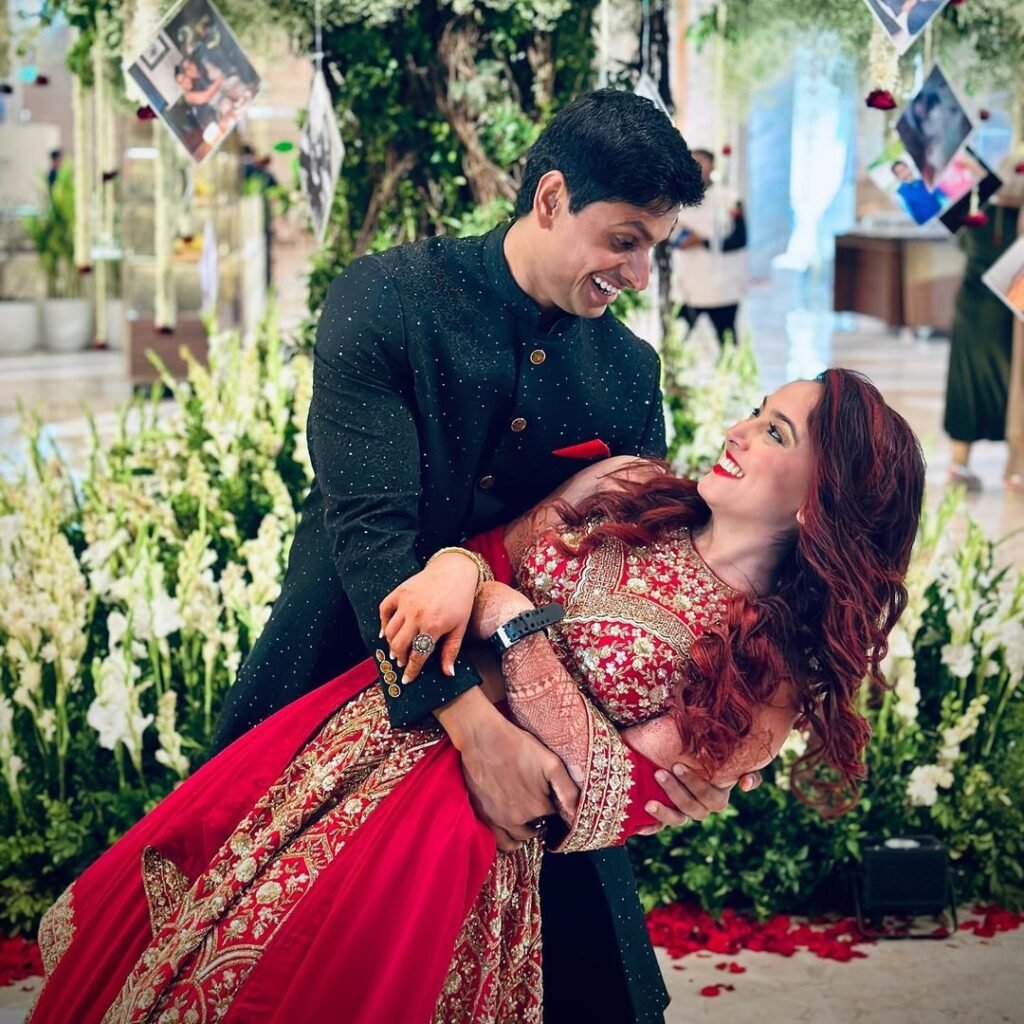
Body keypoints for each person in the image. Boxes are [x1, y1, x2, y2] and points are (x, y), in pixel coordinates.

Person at [28, 368, 927, 1022]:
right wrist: (468, 576)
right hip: (369, 734)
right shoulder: (628, 486)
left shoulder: (768, 676)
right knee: (217, 961)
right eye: (758, 411)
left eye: (776, 434)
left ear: (819, 503)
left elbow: (592, 798)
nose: (738, 430)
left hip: (460, 836)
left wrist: (507, 619)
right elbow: (482, 557)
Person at [211, 88, 715, 1024]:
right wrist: (474, 733)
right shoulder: (387, 299)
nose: (641, 274)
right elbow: (373, 541)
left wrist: (693, 747)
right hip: (335, 670)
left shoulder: (627, 373)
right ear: (553, 198)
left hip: (534, 719)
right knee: (294, 978)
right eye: (625, 240)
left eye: (656, 247)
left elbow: (629, 579)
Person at [943, 156, 1024, 490]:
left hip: (971, 308)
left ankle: (959, 465)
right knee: (1014, 385)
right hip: (1008, 315)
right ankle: (1015, 470)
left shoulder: (978, 209)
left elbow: (959, 240)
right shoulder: (1017, 219)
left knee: (965, 383)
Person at [670, 148, 747, 346]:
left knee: (727, 342)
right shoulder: (675, 199)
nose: (696, 167)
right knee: (678, 340)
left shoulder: (729, 199)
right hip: (686, 284)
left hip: (721, 286)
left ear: (713, 166)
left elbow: (740, 239)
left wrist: (701, 241)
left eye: (701, 162)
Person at [891, 159, 943, 225]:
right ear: (897, 177)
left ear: (909, 168)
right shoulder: (899, 195)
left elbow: (941, 197)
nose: (904, 173)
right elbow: (908, 216)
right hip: (929, 226)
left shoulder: (924, 181)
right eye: (900, 172)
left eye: (904, 169)